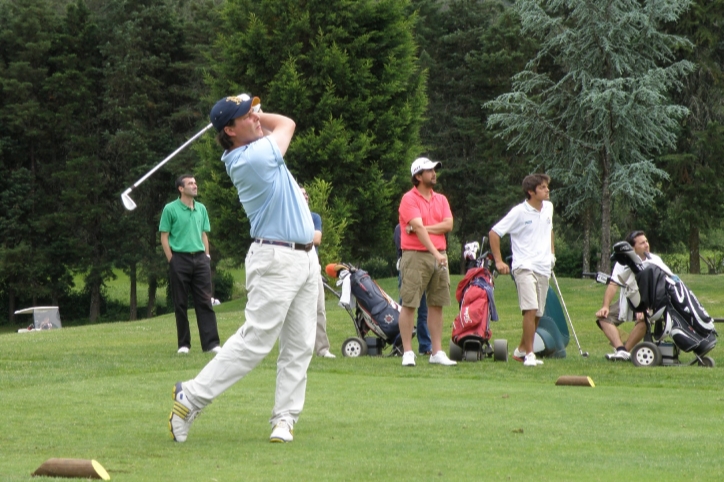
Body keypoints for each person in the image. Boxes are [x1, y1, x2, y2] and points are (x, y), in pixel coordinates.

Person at [168, 93, 318, 444]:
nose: (254, 115)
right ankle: (189, 397)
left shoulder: (258, 147)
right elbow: (288, 124)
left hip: (304, 257)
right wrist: (263, 116)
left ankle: (285, 419)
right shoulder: (247, 158)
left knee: (300, 345)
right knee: (255, 342)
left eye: (253, 109)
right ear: (230, 130)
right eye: (245, 114)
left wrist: (253, 116)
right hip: (276, 260)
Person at [489, 173, 555, 368]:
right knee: (530, 308)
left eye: (546, 187)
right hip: (524, 266)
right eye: (542, 187)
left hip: (543, 267)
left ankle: (521, 350)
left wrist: (552, 254)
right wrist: (499, 261)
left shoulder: (548, 208)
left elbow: (549, 229)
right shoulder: (519, 212)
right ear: (531, 191)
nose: (547, 190)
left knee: (537, 314)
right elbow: (494, 233)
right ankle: (530, 355)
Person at [398, 157, 456, 367]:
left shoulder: (441, 199)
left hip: (438, 254)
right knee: (410, 303)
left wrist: (424, 228)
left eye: (434, 169)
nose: (434, 173)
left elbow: (448, 224)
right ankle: (407, 352)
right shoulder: (408, 199)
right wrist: (435, 251)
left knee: (436, 304)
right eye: (429, 170)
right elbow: (418, 229)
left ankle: (436, 352)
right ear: (418, 176)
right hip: (415, 255)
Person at [159, 175, 221, 355]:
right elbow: (164, 236)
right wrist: (172, 259)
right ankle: (184, 344)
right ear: (181, 188)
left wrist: (207, 256)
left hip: (200, 259)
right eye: (190, 183)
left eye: (195, 183)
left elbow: (204, 235)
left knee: (204, 302)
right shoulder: (170, 209)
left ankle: (211, 344)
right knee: (180, 303)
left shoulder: (201, 208)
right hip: (180, 259)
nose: (195, 186)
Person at [596, 230, 673, 361]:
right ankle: (621, 350)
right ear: (633, 248)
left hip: (652, 301)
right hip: (629, 298)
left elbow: (667, 282)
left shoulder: (655, 260)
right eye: (642, 243)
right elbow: (613, 285)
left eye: (646, 241)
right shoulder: (622, 262)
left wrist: (645, 309)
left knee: (644, 319)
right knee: (604, 318)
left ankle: (625, 351)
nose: (647, 245)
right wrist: (605, 306)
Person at [300, 186, 335, 358]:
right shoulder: (289, 217)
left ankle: (322, 349)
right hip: (294, 267)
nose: (305, 196)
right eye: (302, 193)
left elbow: (316, 239)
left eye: (306, 193)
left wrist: (298, 234)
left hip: (313, 266)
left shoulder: (314, 217)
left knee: (319, 308)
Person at [393, 223, 432, 355]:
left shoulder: (425, 227)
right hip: (408, 270)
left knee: (423, 312)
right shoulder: (400, 228)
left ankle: (425, 346)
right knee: (405, 309)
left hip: (424, 270)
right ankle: (400, 346)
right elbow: (405, 247)